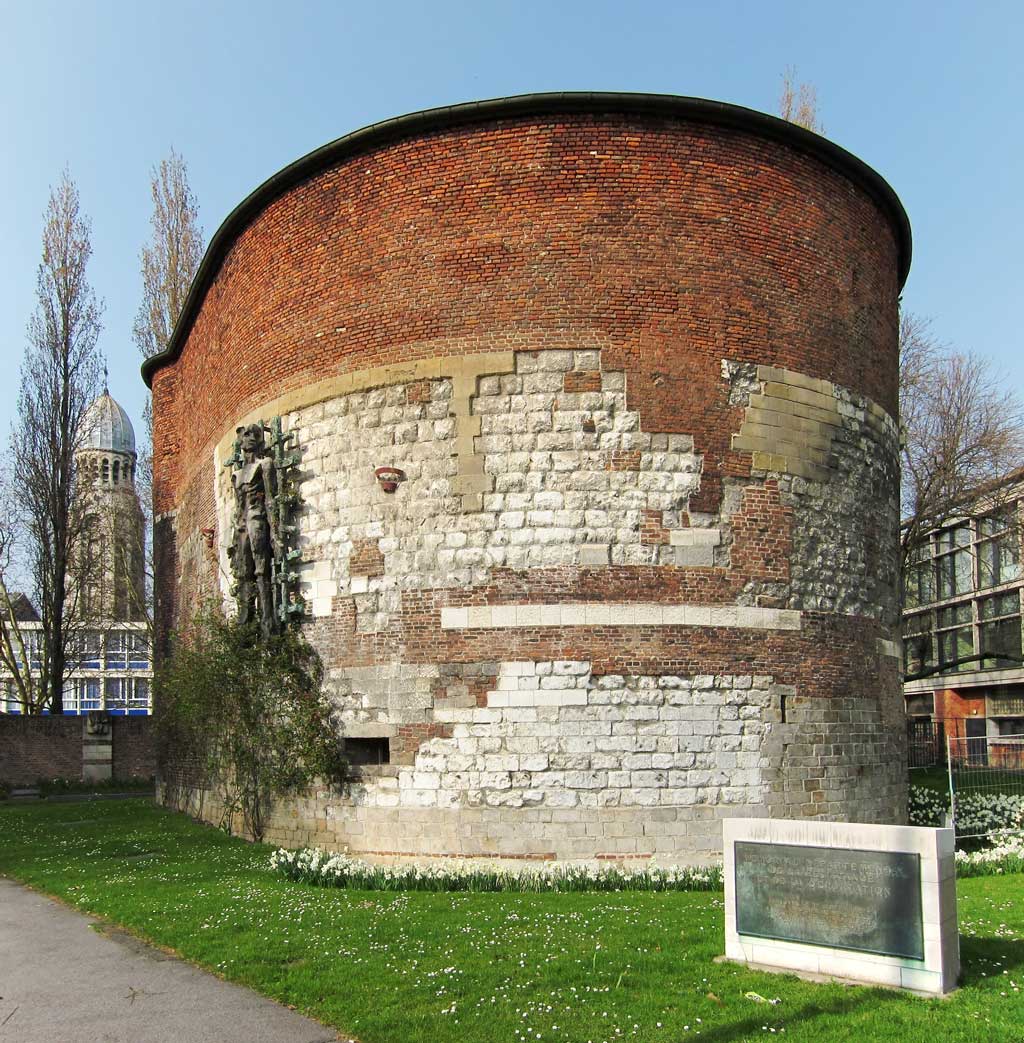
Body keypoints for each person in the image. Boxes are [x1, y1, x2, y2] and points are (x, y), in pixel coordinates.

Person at [228, 424, 280, 638]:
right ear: (240, 440)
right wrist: (233, 538)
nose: (249, 438)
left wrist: (275, 531)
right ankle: (246, 620)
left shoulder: (264, 465)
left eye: (254, 434)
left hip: (257, 520)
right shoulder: (237, 474)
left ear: (260, 440)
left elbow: (270, 500)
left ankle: (268, 619)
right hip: (241, 526)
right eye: (246, 434)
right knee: (243, 572)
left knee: (261, 570)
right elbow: (237, 508)